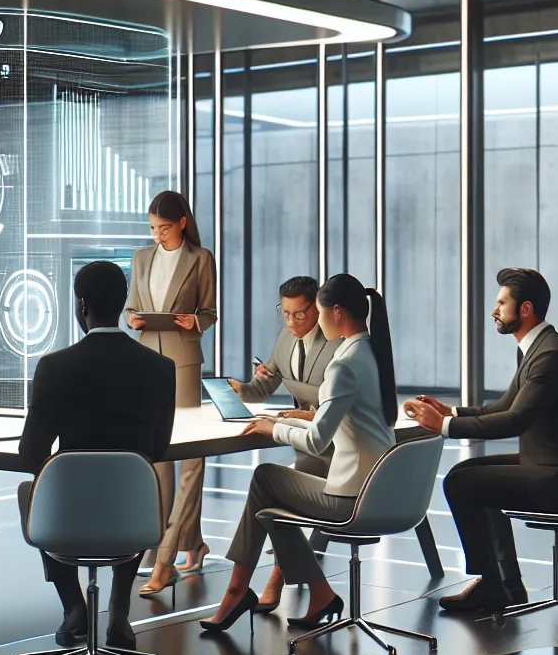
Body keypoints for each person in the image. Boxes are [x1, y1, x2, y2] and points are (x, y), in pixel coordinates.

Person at [200, 274, 397, 632]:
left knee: (264, 478)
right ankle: (316, 593)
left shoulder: (342, 364)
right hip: (380, 489)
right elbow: (332, 423)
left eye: (317, 313)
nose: (314, 323)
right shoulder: (368, 352)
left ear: (335, 312)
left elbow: (319, 440)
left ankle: (237, 589)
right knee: (270, 508)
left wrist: (271, 427)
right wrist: (280, 422)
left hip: (352, 497)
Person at [402, 267, 558, 614]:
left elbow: (515, 420)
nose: (494, 311)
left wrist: (443, 426)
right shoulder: (537, 348)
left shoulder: (549, 356)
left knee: (463, 485)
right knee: (466, 474)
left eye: (501, 303)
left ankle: (493, 585)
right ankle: (507, 583)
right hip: (546, 466)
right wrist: (451, 411)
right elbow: (504, 406)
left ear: (525, 309)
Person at [18, 261, 177, 651]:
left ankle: (74, 606)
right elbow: (157, 448)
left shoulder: (54, 367)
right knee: (132, 487)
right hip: (133, 519)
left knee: (30, 489)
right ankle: (119, 611)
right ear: (123, 304)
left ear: (82, 304)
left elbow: (31, 454)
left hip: (67, 519)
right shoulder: (160, 368)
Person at [126, 189, 218, 597]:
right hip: (146, 360)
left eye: (163, 227)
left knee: (190, 457)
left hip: (183, 360)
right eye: (152, 228)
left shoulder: (201, 259)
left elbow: (210, 312)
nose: (157, 235)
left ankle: (165, 557)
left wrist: (193, 322)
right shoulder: (141, 258)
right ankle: (187, 543)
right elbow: (131, 306)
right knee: (157, 454)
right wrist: (132, 318)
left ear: (182, 222)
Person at [229, 275, 343, 477]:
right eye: (285, 313)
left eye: (299, 315)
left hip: (337, 450)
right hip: (304, 445)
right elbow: (263, 388)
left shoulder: (337, 342)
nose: (291, 322)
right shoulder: (285, 337)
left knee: (267, 480)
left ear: (317, 306)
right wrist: (241, 390)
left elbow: (341, 406)